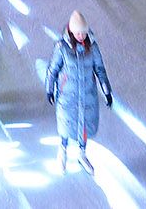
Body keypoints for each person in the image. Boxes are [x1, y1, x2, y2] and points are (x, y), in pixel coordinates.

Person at [46, 10, 113, 175]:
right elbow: (53, 69)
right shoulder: (62, 48)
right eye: (78, 33)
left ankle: (82, 155)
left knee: (83, 126)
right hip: (67, 95)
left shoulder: (93, 47)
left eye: (83, 33)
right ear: (71, 31)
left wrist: (106, 91)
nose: (81, 36)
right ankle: (62, 150)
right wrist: (50, 89)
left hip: (87, 95)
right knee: (66, 124)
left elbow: (100, 69)